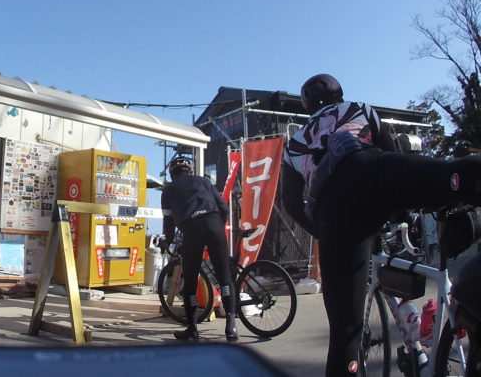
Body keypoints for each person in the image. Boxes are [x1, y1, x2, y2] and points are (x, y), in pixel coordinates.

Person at [281, 73, 481, 377]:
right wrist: (405, 209)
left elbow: (292, 204)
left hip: (335, 214)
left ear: (307, 106)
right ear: (339, 92)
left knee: (345, 333)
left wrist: (322, 234)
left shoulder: (293, 143)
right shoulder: (358, 108)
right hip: (373, 170)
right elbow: (391, 151)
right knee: (455, 175)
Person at [160, 156, 238, 342]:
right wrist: (219, 225)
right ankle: (231, 326)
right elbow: (223, 207)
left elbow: (168, 222)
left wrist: (168, 240)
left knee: (190, 284)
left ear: (172, 173)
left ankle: (193, 328)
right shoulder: (204, 181)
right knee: (224, 278)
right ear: (190, 170)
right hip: (213, 225)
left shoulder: (168, 190)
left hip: (191, 230)